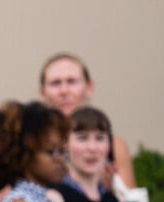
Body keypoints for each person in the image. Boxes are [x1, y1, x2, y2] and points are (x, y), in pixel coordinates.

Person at [39, 53, 136, 188]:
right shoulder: (30, 144)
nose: (64, 91)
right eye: (55, 83)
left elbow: (130, 198)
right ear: (43, 92)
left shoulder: (114, 146)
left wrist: (109, 190)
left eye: (72, 81)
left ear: (89, 88)